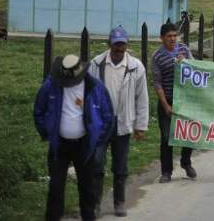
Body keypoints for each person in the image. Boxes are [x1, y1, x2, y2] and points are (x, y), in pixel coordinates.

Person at [34, 54, 114, 221]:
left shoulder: (95, 87)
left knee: (87, 188)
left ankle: (88, 217)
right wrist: (47, 132)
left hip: (84, 145)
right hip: (59, 145)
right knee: (55, 188)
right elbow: (39, 111)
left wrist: (98, 139)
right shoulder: (51, 85)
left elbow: (107, 115)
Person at [88, 26, 148, 217]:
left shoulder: (136, 67)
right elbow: (87, 94)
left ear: (127, 45)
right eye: (116, 45)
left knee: (120, 165)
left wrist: (140, 125)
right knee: (97, 164)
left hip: (122, 122)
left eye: (122, 45)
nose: (119, 49)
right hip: (100, 124)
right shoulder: (96, 64)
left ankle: (119, 202)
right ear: (109, 45)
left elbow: (142, 98)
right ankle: (95, 203)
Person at [152, 22, 196, 182]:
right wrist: (166, 105)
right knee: (166, 138)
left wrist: (185, 62)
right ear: (162, 38)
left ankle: (186, 162)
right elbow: (157, 83)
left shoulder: (184, 49)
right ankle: (166, 172)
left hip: (185, 100)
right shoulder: (157, 57)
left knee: (189, 133)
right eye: (169, 36)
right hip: (167, 99)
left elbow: (195, 69)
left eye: (174, 35)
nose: (172, 39)